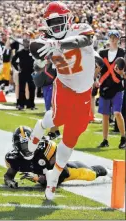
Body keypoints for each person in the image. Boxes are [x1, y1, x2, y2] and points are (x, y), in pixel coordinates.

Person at [27, 1, 95, 200]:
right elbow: (35, 50)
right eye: (53, 24)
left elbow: (85, 41)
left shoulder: (80, 29)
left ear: (68, 19)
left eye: (60, 22)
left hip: (84, 92)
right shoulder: (44, 38)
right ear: (47, 25)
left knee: (72, 137)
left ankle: (54, 175)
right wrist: (40, 59)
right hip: (64, 87)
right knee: (58, 118)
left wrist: (58, 44)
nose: (56, 28)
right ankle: (39, 129)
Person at [4, 126, 107, 188]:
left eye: (29, 143)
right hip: (45, 176)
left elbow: (63, 174)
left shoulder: (46, 149)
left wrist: (39, 178)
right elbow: (8, 175)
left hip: (61, 172)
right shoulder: (15, 158)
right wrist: (10, 181)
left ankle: (110, 172)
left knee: (91, 174)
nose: (28, 148)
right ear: (17, 147)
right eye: (23, 145)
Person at [97, 30, 126, 149]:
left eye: (115, 37)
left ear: (119, 39)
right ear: (108, 38)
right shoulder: (102, 52)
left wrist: (122, 73)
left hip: (117, 87)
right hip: (104, 87)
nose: (113, 39)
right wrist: (94, 80)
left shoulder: (123, 53)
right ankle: (105, 140)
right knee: (105, 115)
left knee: (117, 113)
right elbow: (97, 68)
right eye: (111, 37)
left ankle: (123, 138)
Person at [12, 38, 36, 110]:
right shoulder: (19, 52)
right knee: (21, 89)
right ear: (23, 43)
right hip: (22, 72)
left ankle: (31, 105)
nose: (26, 43)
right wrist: (17, 68)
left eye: (28, 42)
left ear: (29, 43)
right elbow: (13, 61)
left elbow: (37, 60)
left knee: (32, 88)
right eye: (25, 42)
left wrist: (35, 68)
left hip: (31, 73)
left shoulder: (32, 52)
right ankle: (21, 104)